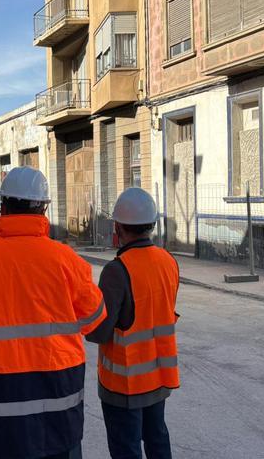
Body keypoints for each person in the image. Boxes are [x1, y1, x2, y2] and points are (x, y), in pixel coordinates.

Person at [0, 167, 106, 459]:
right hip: (56, 404)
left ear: (3, 206)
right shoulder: (68, 261)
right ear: (44, 208)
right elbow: (94, 318)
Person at [86, 188, 180, 459]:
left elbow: (100, 332)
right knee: (158, 442)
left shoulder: (117, 270)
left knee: (126, 450)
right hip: (158, 377)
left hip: (125, 385)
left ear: (118, 227)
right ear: (151, 224)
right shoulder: (169, 262)